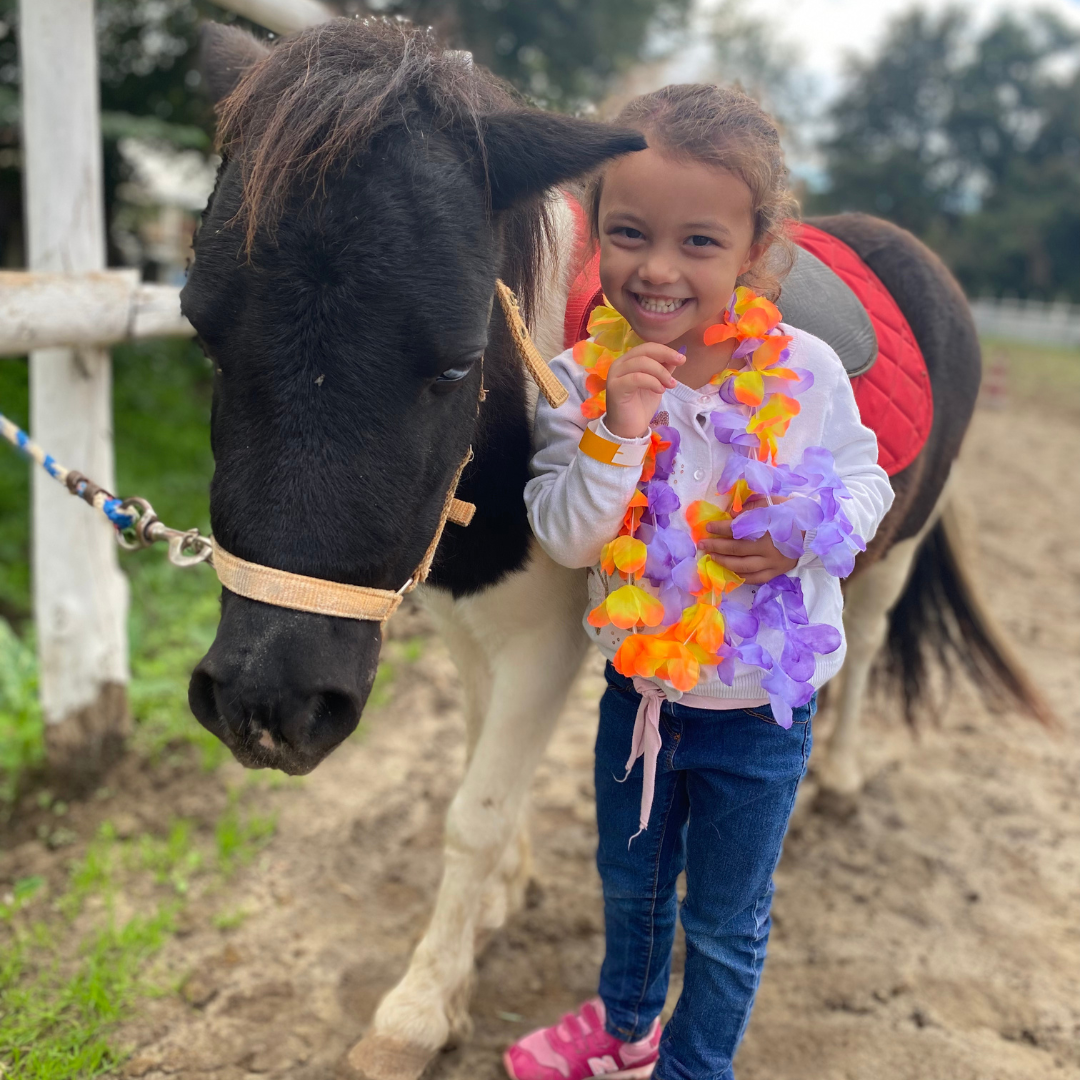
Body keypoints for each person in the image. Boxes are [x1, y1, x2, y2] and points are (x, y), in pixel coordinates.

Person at [506, 84, 895, 1080]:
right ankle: (627, 1024)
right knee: (630, 885)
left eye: (700, 243)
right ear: (596, 231)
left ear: (756, 249)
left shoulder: (802, 372)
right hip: (638, 699)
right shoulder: (576, 383)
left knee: (725, 918)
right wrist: (616, 437)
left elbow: (864, 480)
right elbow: (564, 536)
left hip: (761, 714)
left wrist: (812, 533)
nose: (659, 268)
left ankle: (694, 1066)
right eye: (631, 233)